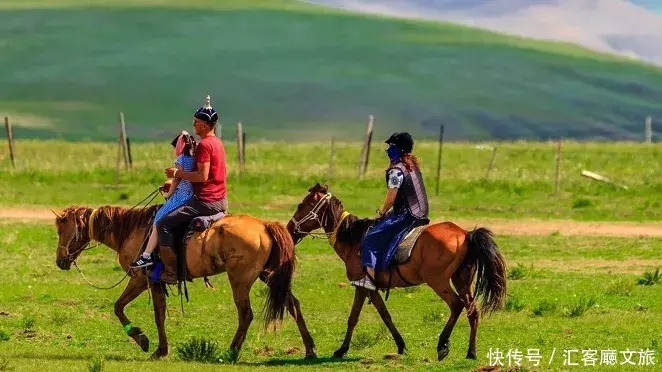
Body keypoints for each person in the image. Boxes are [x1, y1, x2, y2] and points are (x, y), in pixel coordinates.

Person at [155, 95, 228, 284]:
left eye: (196, 122)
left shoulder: (204, 145)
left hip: (205, 201)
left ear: (204, 124)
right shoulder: (218, 143)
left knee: (164, 223)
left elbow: (202, 176)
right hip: (221, 199)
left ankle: (171, 273)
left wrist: (177, 173)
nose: (194, 125)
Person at [350, 132, 429, 291]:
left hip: (407, 215)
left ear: (399, 149)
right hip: (421, 213)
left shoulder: (396, 171)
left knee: (371, 239)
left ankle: (370, 279)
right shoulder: (412, 167)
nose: (388, 149)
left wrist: (381, 212)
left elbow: (391, 198)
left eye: (392, 146)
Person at [129, 131, 197, 268]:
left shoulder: (180, 160)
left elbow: (177, 179)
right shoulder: (194, 158)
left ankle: (146, 255)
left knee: (158, 220)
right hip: (191, 194)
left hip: (180, 195)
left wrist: (168, 194)